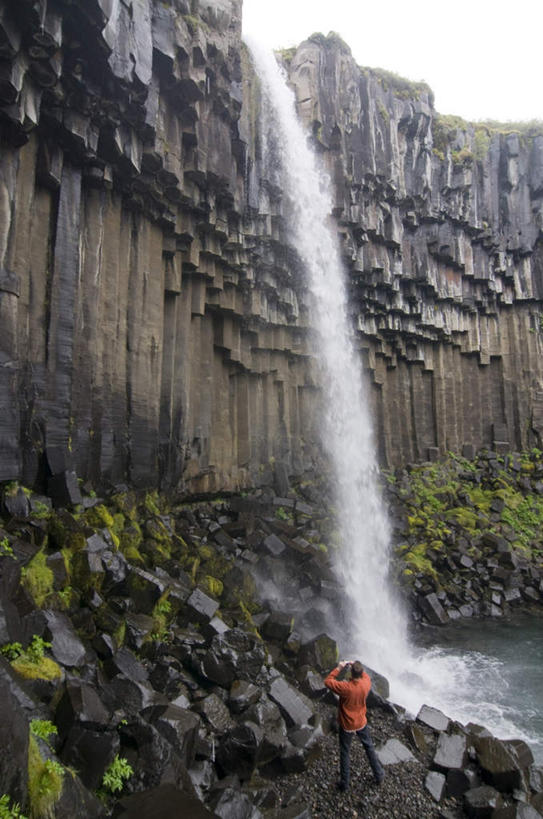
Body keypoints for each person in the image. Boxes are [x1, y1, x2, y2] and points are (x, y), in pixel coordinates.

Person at [324, 659, 384, 792]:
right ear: (362, 672)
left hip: (347, 724)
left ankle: (345, 784)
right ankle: (379, 775)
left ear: (351, 673)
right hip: (361, 721)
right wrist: (355, 665)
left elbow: (328, 681)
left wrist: (339, 668)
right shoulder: (366, 683)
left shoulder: (346, 688)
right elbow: (366, 675)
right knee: (369, 747)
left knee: (345, 752)